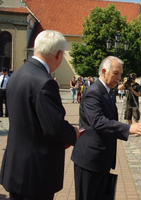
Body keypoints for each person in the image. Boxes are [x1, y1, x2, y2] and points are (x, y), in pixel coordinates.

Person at [0, 30, 80, 200]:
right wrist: (74, 134)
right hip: (35, 173)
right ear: (59, 54)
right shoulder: (45, 82)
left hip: (15, 167)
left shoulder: (17, 75)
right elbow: (55, 128)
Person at [71, 56, 141, 200]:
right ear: (103, 71)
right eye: (115, 73)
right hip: (90, 161)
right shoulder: (94, 92)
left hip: (102, 161)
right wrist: (128, 128)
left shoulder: (107, 91)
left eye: (120, 74)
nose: (119, 78)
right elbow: (98, 122)